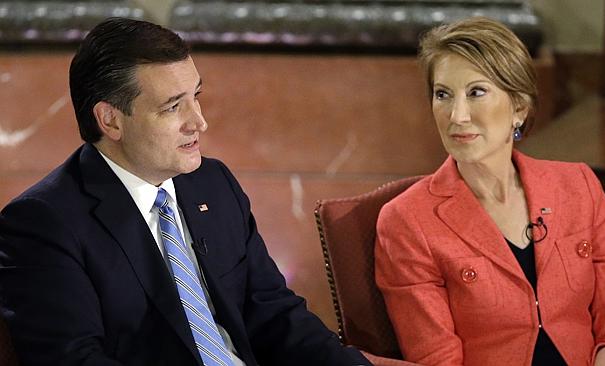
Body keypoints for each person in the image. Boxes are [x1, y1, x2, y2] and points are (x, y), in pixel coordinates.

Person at [0, 17, 371, 366]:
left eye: (196, 96)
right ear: (110, 119)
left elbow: (274, 313)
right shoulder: (43, 223)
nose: (199, 121)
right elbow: (75, 359)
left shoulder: (213, 183)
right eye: (173, 106)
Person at [375, 17, 605, 366]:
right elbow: (438, 360)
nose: (457, 115)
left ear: (519, 107)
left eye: (476, 92)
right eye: (443, 94)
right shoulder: (407, 222)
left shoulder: (578, 187)